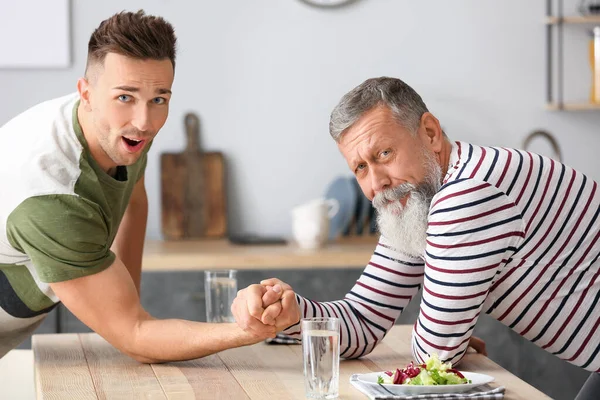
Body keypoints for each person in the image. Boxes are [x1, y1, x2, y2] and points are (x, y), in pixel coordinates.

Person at [232, 76, 600, 399]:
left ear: (430, 133)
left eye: (385, 153)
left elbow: (433, 358)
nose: (377, 183)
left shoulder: (467, 194)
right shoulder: (416, 201)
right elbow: (364, 319)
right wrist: (295, 314)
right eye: (361, 167)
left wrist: (448, 339)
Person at [0, 10, 280, 362]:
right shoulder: (52, 197)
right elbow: (135, 336)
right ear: (86, 93)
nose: (145, 123)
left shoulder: (114, 132)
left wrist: (128, 301)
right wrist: (247, 331)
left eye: (159, 99)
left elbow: (133, 199)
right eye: (125, 97)